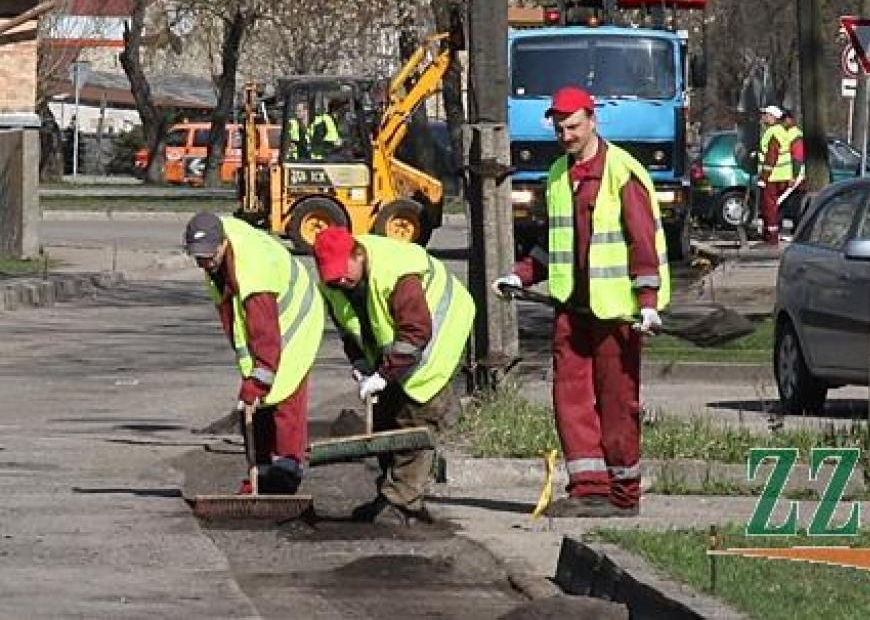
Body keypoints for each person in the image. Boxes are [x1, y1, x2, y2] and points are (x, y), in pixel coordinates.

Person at [490, 85, 670, 518]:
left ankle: (624, 495)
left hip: (616, 311)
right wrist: (520, 274)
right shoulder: (556, 176)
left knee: (616, 401)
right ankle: (588, 488)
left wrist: (647, 301)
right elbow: (552, 244)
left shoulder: (621, 172)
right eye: (559, 128)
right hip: (573, 307)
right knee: (569, 396)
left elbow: (640, 242)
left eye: (572, 126)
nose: (566, 135)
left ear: (592, 120)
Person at [313, 226, 475, 526]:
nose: (341, 282)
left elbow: (415, 331)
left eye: (344, 273)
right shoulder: (333, 284)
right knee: (385, 418)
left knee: (416, 419)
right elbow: (350, 328)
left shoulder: (397, 273)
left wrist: (385, 373)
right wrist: (362, 363)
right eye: (333, 277)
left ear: (358, 255)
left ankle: (402, 501)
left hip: (435, 339)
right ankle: (391, 494)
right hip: (395, 350)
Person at [183, 211, 324, 494]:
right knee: (257, 403)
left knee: (285, 396)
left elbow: (266, 335)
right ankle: (260, 474)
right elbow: (231, 316)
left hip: (295, 319)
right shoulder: (216, 261)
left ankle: (287, 470)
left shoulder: (253, 269)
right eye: (198, 257)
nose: (205, 262)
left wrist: (257, 381)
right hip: (267, 322)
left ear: (224, 243)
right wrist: (250, 381)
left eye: (209, 255)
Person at [757, 105, 794, 246]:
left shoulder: (773, 133)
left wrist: (764, 177)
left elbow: (771, 156)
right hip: (780, 175)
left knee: (769, 206)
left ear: (773, 117)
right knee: (772, 206)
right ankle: (769, 233)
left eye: (766, 114)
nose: (763, 117)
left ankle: (771, 236)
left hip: (773, 176)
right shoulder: (779, 131)